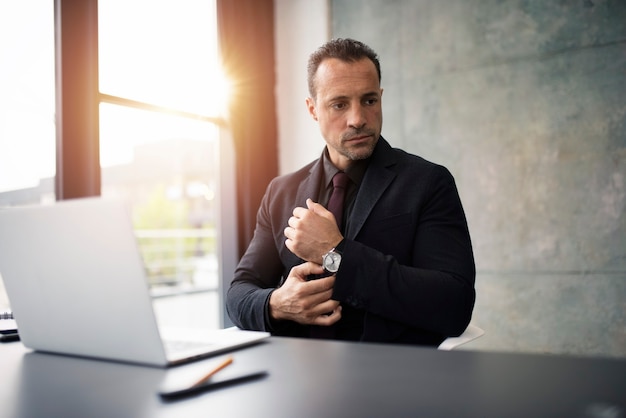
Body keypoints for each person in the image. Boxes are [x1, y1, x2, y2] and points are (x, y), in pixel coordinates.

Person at [226, 38, 475, 346]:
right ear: (313, 109)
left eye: (369, 101)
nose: (357, 119)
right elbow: (239, 292)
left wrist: (335, 254)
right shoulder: (280, 191)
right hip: (294, 373)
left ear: (381, 98)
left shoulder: (428, 182)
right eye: (339, 104)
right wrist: (276, 304)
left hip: (388, 376)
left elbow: (454, 304)